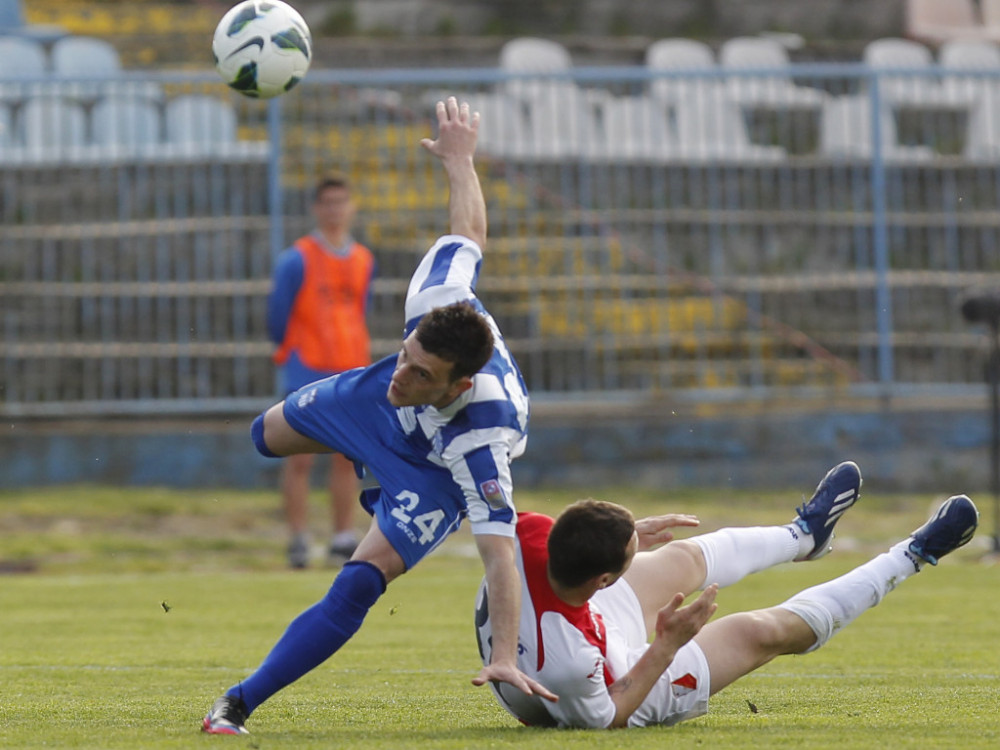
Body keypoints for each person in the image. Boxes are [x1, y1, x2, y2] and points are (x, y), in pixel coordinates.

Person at [202, 96, 555, 735]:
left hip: (432, 469)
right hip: (373, 406)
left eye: (422, 373)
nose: (406, 372)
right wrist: (460, 162)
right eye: (407, 355)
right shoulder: (435, 297)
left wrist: (505, 656)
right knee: (264, 438)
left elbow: (498, 558)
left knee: (360, 585)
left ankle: (236, 703)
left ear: (460, 384)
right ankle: (366, 457)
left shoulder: (481, 442)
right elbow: (470, 235)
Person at [475, 461, 980, 729]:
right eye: (625, 556)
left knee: (682, 559)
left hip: (569, 612)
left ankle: (804, 536)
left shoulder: (529, 534)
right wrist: (665, 646)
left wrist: (627, 533)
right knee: (759, 632)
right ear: (603, 581)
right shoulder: (571, 661)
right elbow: (608, 717)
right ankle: (912, 555)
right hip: (615, 682)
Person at [267, 174, 376, 568]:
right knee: (299, 458)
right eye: (327, 203)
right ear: (316, 208)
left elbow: (360, 308)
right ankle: (298, 537)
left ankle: (341, 536)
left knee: (347, 457)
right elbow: (277, 315)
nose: (334, 210)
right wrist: (292, 350)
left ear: (351, 207)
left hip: (349, 368)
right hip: (306, 366)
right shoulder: (297, 258)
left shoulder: (364, 259)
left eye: (341, 202)